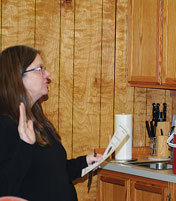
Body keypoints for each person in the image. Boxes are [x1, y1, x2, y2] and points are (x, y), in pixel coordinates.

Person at [0, 45, 103, 201]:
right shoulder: (5, 126)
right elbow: (5, 186)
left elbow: (54, 174)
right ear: (18, 77)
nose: (47, 74)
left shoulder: (36, 119)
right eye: (39, 69)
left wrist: (85, 162)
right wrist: (24, 146)